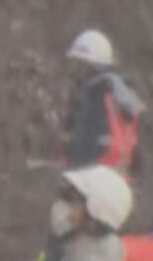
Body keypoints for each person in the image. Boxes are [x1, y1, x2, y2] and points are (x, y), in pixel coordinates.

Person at [62, 29, 146, 174]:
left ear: (89, 66)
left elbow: (83, 145)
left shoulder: (93, 93)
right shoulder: (120, 92)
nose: (73, 71)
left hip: (92, 178)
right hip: (117, 177)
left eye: (77, 64)